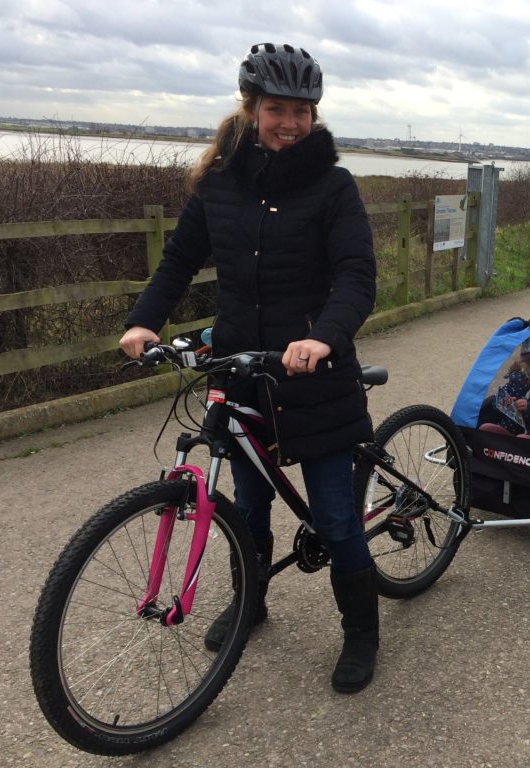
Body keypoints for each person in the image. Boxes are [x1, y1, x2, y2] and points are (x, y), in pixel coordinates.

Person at [119, 42, 379, 694]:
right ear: (252, 109)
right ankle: (251, 601)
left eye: (301, 111)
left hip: (313, 377)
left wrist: (323, 337)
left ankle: (362, 633)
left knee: (337, 517)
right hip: (240, 372)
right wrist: (143, 319)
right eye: (276, 110)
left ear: (314, 115)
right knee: (250, 507)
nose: (290, 123)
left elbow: (355, 274)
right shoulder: (218, 185)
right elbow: (178, 259)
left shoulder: (333, 186)